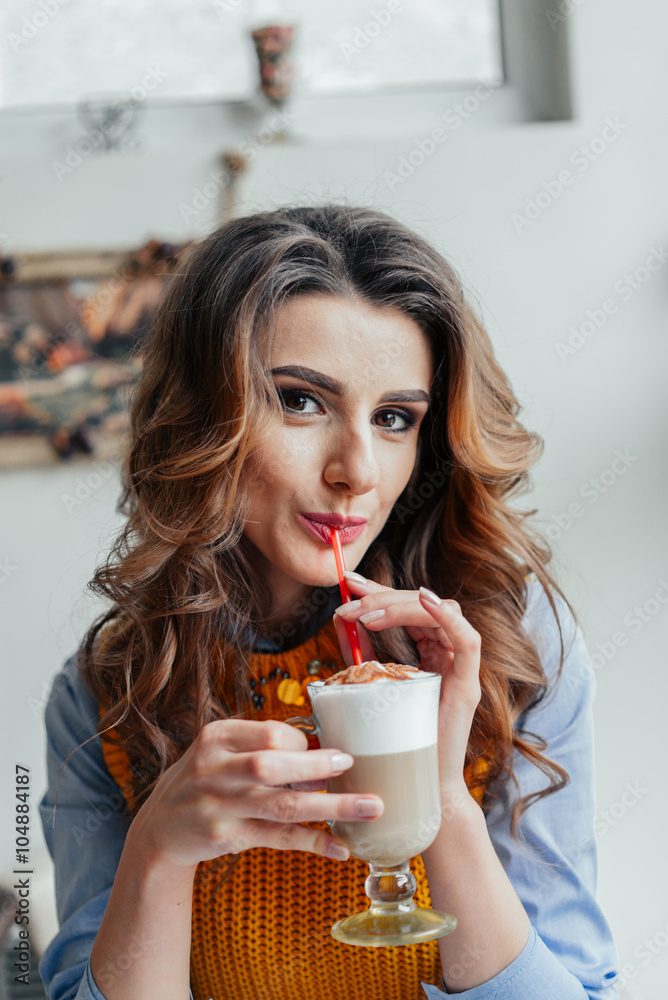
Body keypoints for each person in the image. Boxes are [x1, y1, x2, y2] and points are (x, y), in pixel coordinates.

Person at [38, 204, 619, 1000]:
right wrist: (157, 850)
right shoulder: (108, 689)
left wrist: (443, 802)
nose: (358, 470)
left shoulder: (514, 645)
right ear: (208, 416)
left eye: (393, 418)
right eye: (302, 401)